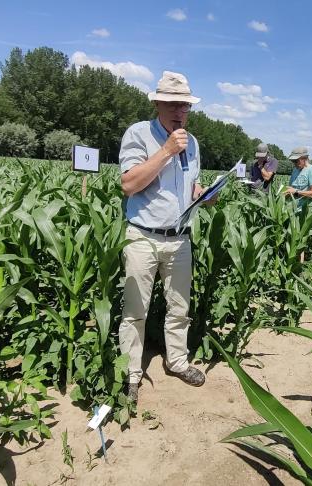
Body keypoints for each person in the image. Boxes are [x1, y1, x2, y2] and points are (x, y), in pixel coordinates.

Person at [118, 71, 212, 403]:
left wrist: (202, 193)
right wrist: (167, 151)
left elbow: (187, 185)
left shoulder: (193, 141)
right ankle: (130, 374)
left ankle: (177, 362)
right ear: (157, 103)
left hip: (180, 237)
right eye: (172, 103)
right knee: (136, 310)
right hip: (143, 236)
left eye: (184, 105)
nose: (179, 111)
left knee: (179, 307)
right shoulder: (139, 134)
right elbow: (129, 184)